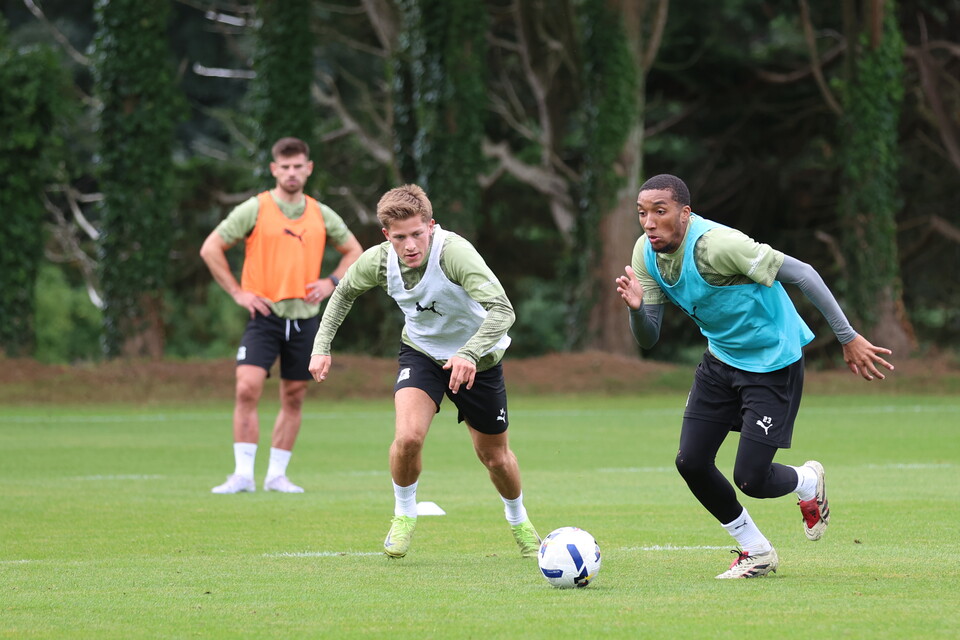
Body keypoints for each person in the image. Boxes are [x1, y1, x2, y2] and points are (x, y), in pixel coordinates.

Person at [616, 174, 895, 579]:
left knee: (751, 478)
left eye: (660, 212)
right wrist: (637, 309)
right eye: (643, 213)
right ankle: (756, 551)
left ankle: (806, 479)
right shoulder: (646, 253)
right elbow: (649, 338)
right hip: (720, 361)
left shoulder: (719, 246)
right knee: (691, 462)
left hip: (771, 364)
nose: (649, 222)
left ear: (685, 213)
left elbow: (803, 274)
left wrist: (847, 337)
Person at [307, 184, 540, 559]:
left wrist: (469, 353)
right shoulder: (379, 261)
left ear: (431, 225)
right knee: (409, 438)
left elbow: (503, 311)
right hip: (422, 355)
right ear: (387, 235)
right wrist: (321, 347)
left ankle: (519, 521)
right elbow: (344, 292)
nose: (411, 244)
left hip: (479, 362)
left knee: (495, 458)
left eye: (418, 233)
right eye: (400, 237)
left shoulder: (456, 254)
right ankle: (403, 515)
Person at [201, 137, 363, 494]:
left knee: (294, 395)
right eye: (284, 167)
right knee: (247, 387)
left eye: (297, 166)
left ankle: (276, 476)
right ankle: (243, 474)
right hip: (265, 315)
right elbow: (211, 247)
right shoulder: (256, 208)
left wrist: (331, 281)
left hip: (306, 319)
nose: (291, 173)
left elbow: (354, 250)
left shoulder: (320, 213)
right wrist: (238, 292)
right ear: (274, 169)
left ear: (308, 169)